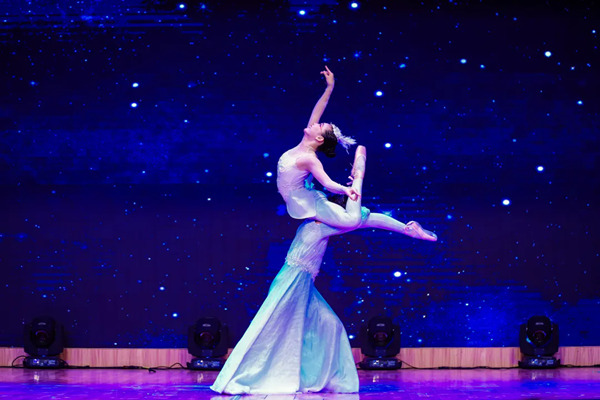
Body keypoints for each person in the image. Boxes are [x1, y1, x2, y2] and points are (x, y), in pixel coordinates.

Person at [211, 147, 436, 395]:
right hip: (292, 281)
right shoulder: (321, 226)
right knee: (272, 326)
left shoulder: (320, 223)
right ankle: (251, 375)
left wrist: (405, 228)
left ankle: (318, 376)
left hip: (302, 283)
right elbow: (368, 219)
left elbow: (368, 218)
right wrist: (358, 175)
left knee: (330, 326)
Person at [277, 67, 436, 241]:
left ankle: (358, 177)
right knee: (359, 220)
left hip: (305, 200)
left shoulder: (308, 159)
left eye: (319, 125)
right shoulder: (304, 143)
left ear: (319, 138)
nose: (314, 123)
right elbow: (318, 109)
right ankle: (408, 229)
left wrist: (346, 189)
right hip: (301, 197)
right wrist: (329, 87)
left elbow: (327, 183)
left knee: (352, 220)